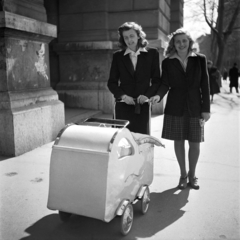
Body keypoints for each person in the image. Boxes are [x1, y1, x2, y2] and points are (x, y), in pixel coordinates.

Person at [150, 28, 211, 190]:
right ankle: (183, 174)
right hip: (175, 106)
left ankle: (193, 175)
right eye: (178, 41)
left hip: (196, 107)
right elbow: (165, 84)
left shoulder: (200, 59)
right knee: (179, 141)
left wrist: (206, 109)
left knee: (195, 142)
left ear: (189, 42)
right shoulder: (168, 62)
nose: (181, 44)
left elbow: (205, 85)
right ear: (173, 44)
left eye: (184, 40)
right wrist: (158, 96)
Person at [107, 22, 161, 134]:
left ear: (138, 35)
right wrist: (123, 96)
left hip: (143, 106)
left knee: (141, 142)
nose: (129, 40)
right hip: (123, 106)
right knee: (121, 142)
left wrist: (147, 95)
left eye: (131, 36)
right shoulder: (118, 56)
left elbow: (156, 81)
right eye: (125, 37)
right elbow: (112, 83)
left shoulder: (152, 53)